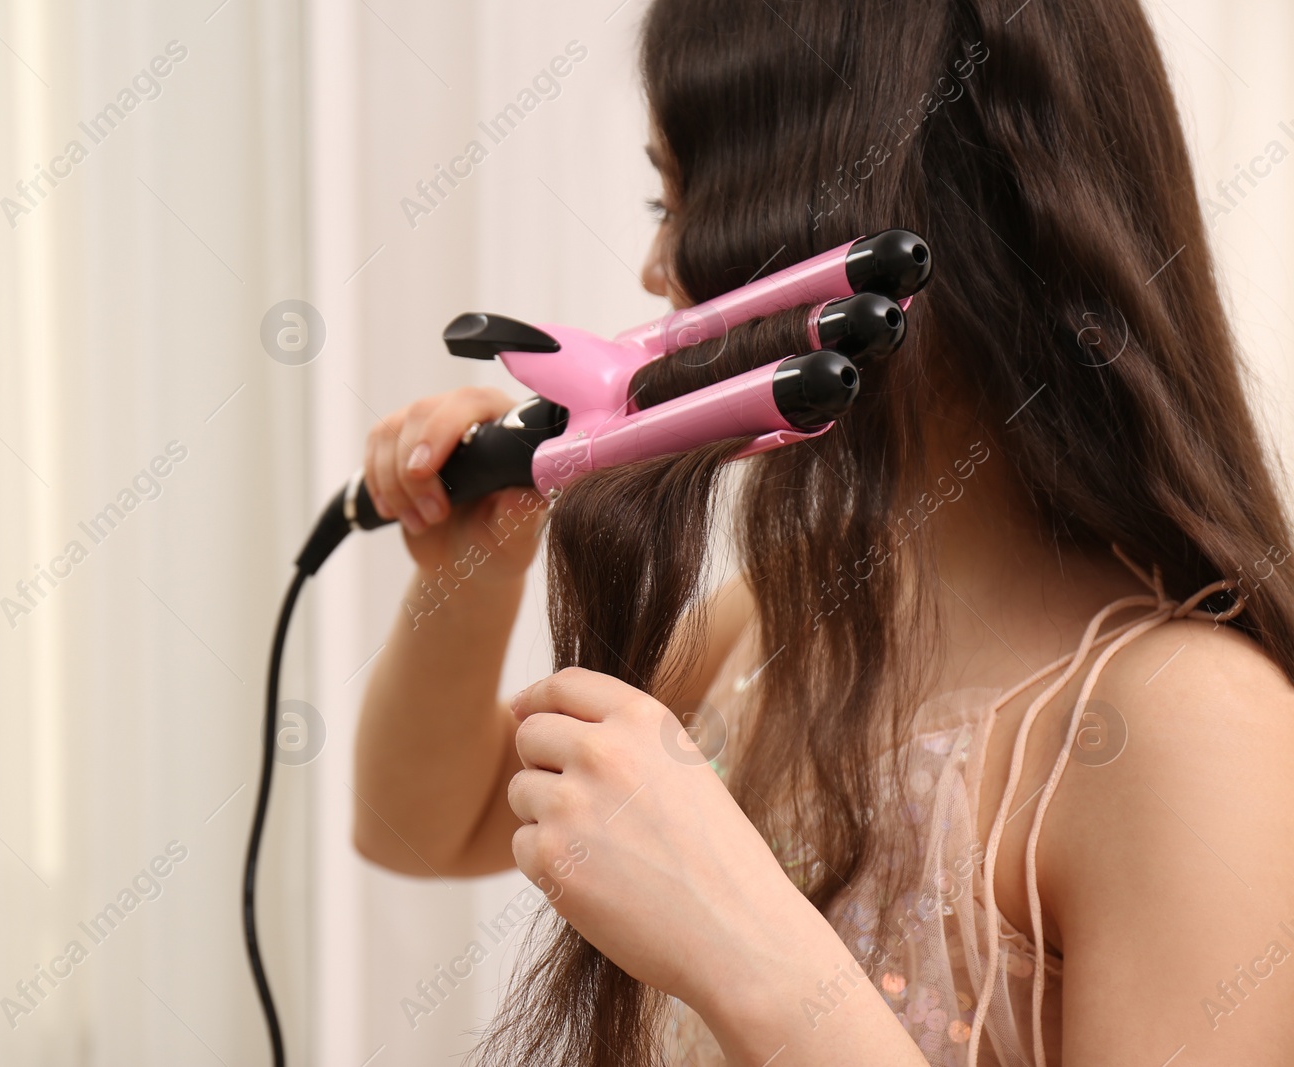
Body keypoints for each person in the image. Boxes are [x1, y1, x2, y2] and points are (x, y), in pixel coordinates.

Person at [352, 0, 1294, 1063]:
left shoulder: (1190, 726)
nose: (658, 270)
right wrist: (475, 563)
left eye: (690, 202)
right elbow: (418, 825)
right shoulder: (780, 618)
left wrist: (747, 951)